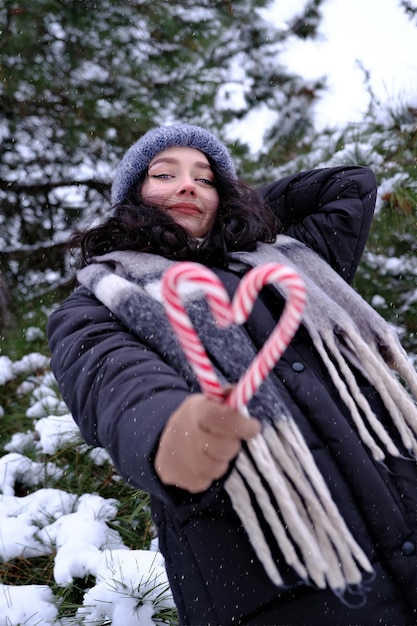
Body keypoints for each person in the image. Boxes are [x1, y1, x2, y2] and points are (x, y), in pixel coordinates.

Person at [47, 123, 417, 626]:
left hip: (401, 501)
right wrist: (169, 429)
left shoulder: (282, 263)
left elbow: (350, 185)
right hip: (273, 567)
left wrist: (241, 213)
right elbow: (113, 380)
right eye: (164, 174)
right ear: (130, 196)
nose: (187, 186)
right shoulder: (98, 302)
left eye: (205, 178)